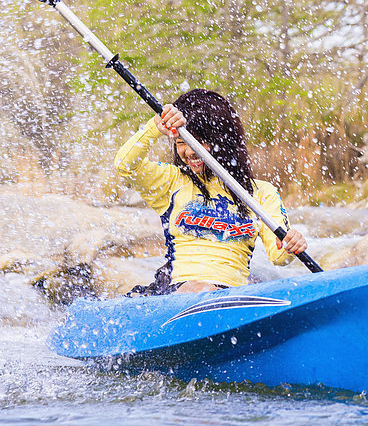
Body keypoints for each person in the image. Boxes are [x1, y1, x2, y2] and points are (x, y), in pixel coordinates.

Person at [114, 89, 307, 295]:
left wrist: (291, 245)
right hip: (174, 292)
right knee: (199, 288)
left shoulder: (261, 193)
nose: (188, 152)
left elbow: (278, 257)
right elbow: (125, 165)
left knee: (211, 290)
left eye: (198, 142)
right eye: (181, 143)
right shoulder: (172, 181)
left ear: (222, 141)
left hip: (230, 294)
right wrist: (154, 127)